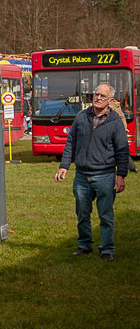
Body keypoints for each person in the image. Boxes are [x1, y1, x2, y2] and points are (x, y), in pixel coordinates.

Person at [55, 83, 129, 261]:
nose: (98, 98)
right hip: (81, 175)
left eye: (103, 96)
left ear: (110, 100)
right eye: (96, 94)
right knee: (82, 213)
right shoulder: (81, 117)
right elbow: (71, 143)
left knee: (106, 216)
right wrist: (64, 166)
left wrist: (121, 175)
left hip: (105, 175)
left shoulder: (115, 122)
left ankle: (107, 249)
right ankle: (85, 245)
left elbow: (122, 150)